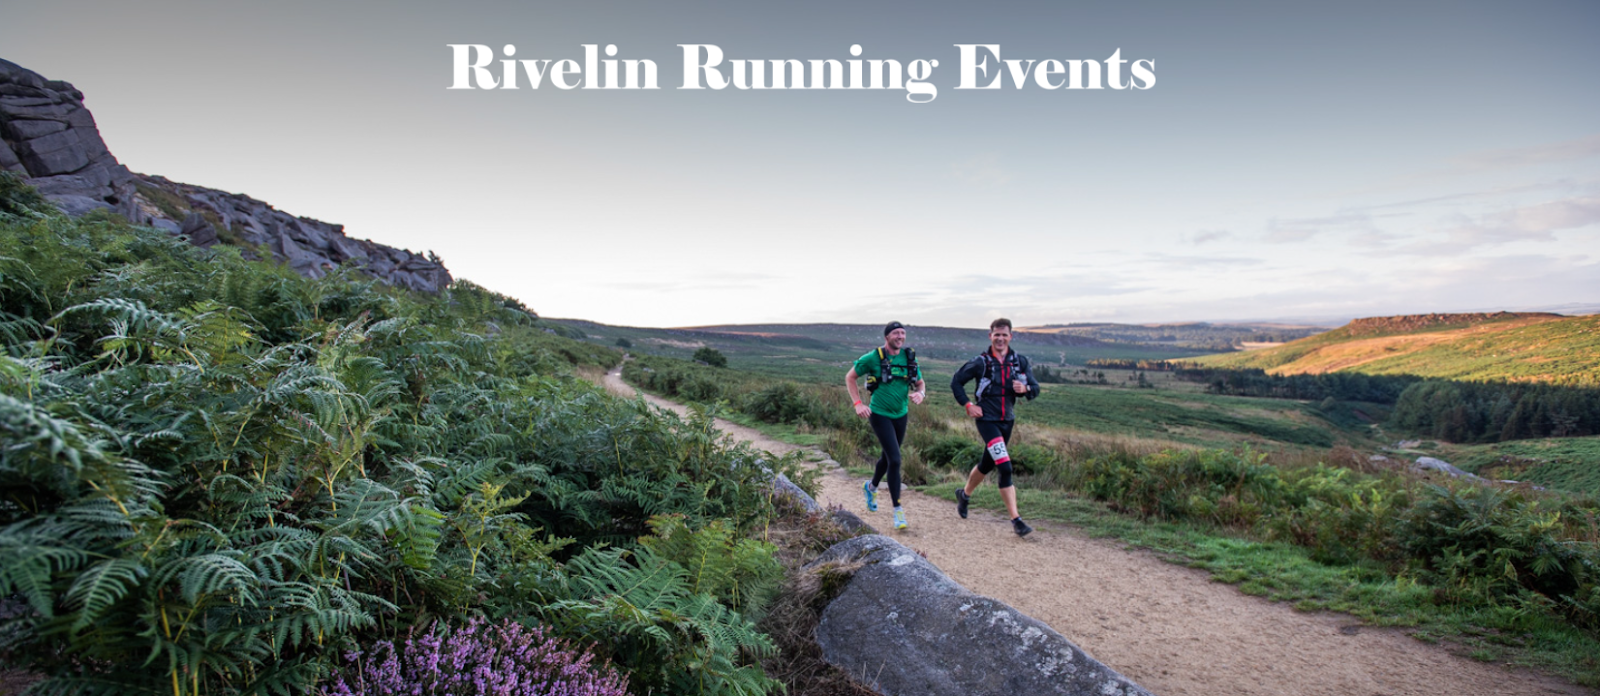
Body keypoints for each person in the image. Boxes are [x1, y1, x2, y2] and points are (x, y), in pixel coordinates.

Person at [950, 318, 1040, 536]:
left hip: (1007, 420)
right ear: (990, 336)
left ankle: (964, 495)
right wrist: (968, 405)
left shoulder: (1019, 362)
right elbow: (956, 382)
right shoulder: (980, 362)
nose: (1000, 338)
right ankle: (1016, 520)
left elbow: (1035, 388)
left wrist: (1025, 389)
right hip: (987, 421)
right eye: (996, 334)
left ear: (1010, 336)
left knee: (987, 463)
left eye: (1004, 335)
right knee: (1005, 467)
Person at [845, 321, 926, 530]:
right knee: (896, 459)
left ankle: (871, 487)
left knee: (888, 456)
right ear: (887, 336)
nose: (900, 337)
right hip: (879, 414)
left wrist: (921, 393)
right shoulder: (873, 357)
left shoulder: (909, 357)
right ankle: (898, 510)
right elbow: (850, 377)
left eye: (903, 333)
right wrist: (858, 404)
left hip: (901, 414)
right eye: (896, 333)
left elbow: (920, 382)